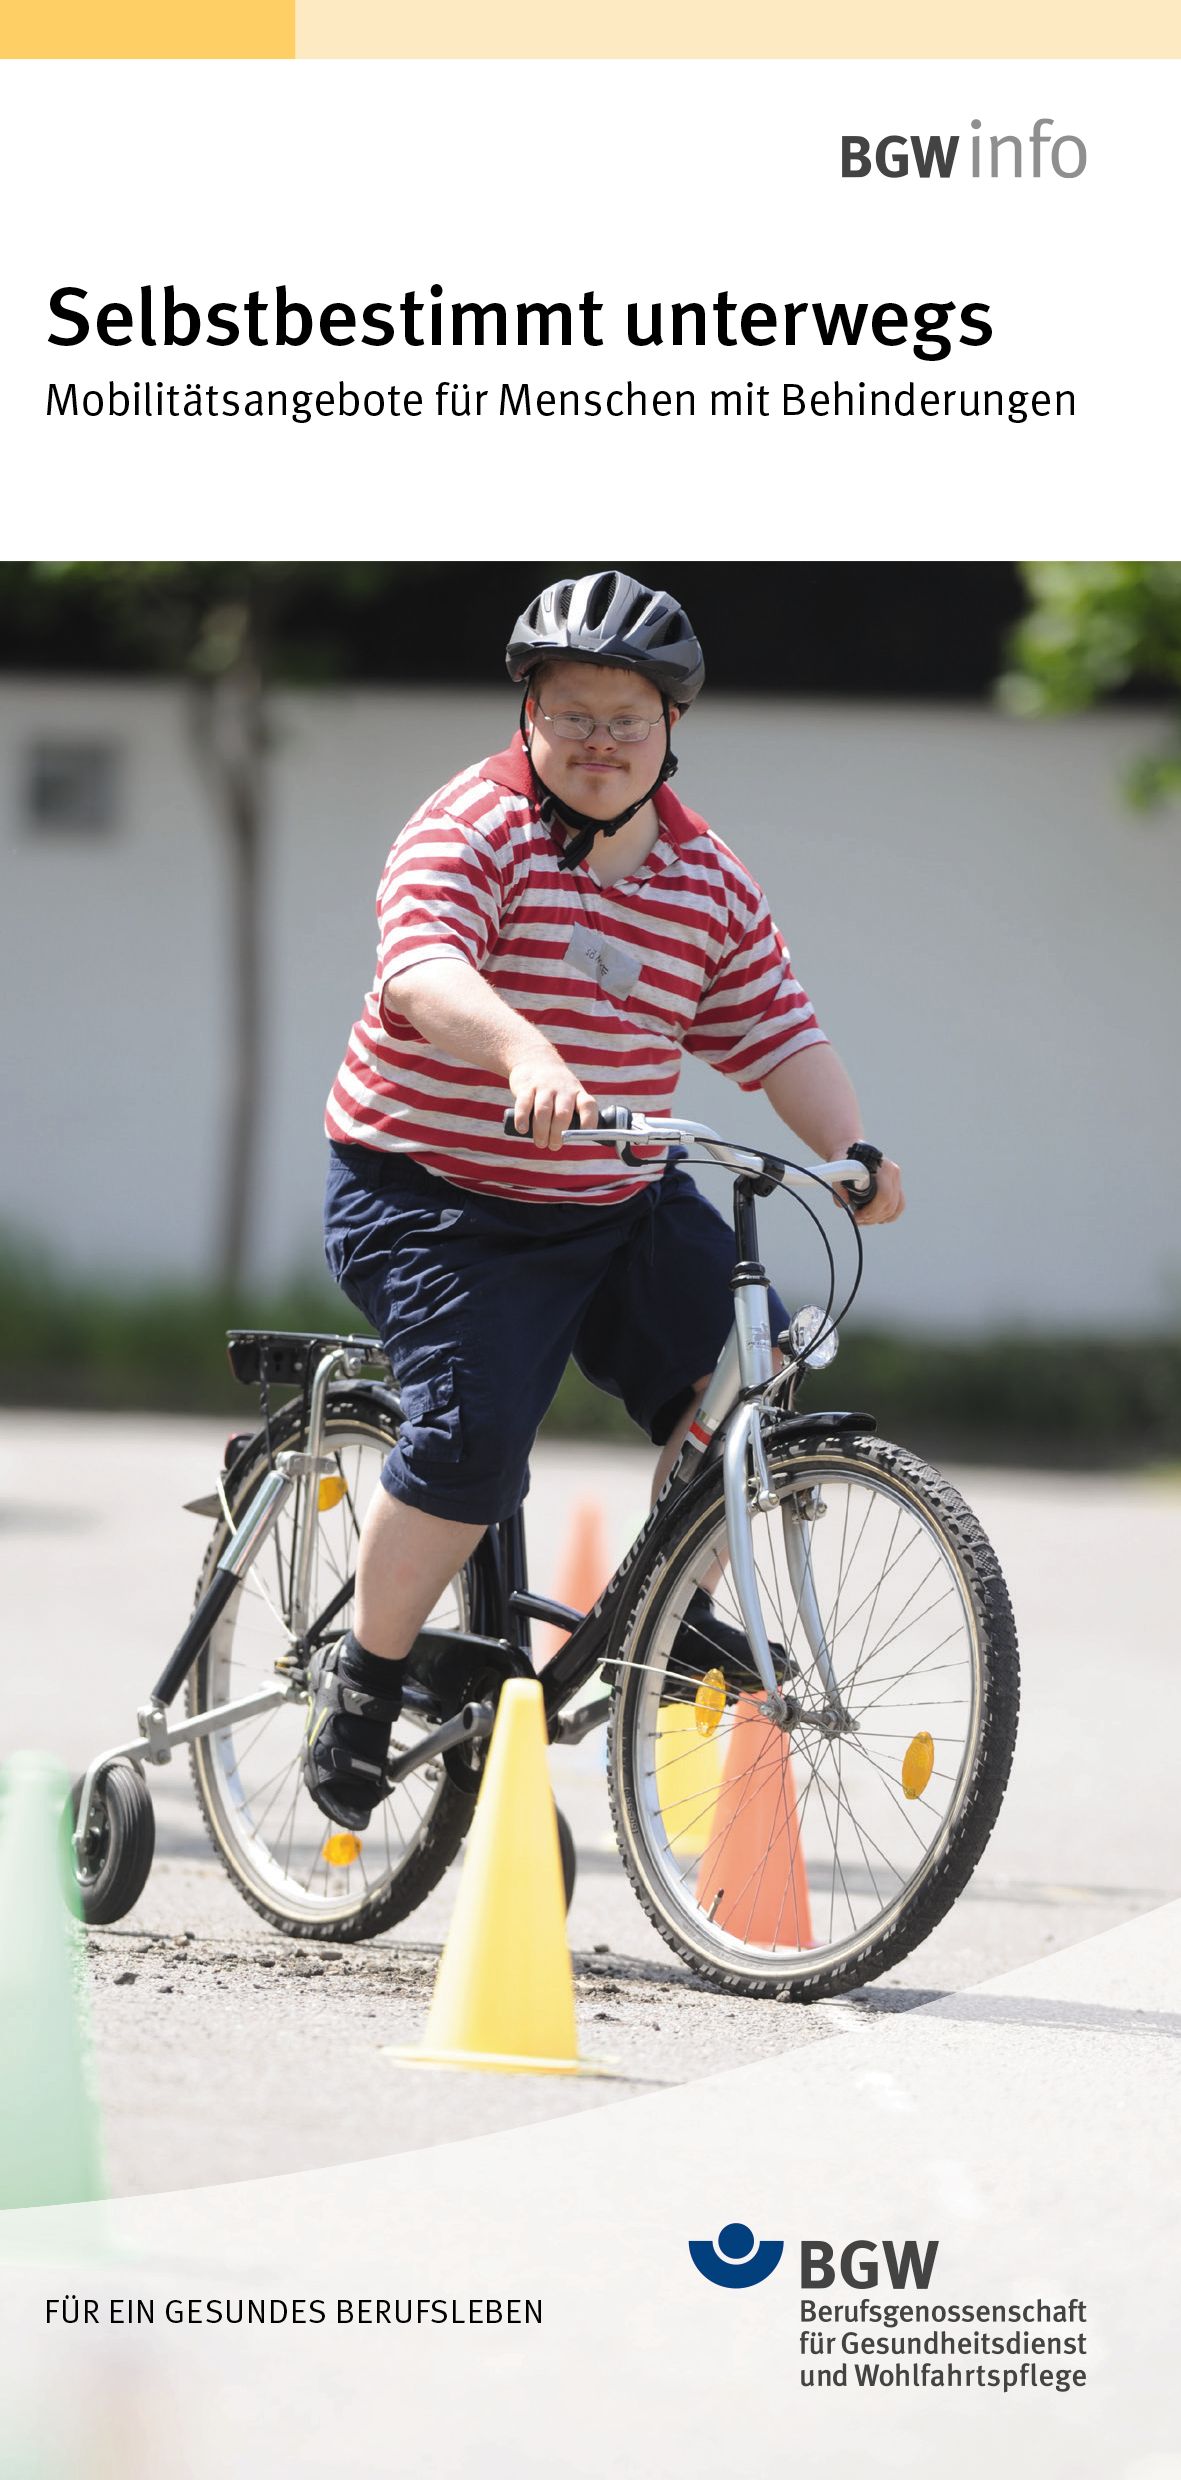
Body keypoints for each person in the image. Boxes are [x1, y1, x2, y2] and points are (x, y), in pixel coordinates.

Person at [305, 570, 904, 1830]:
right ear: (525, 714)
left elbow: (774, 1031)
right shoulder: (467, 828)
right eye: (569, 711)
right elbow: (422, 968)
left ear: (670, 730)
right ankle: (362, 1682)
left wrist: (852, 1147)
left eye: (625, 718)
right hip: (433, 1192)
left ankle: (664, 1602)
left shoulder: (706, 875)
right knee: (471, 1444)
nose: (596, 740)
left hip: (614, 1194)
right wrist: (524, 1051)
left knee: (754, 1367)